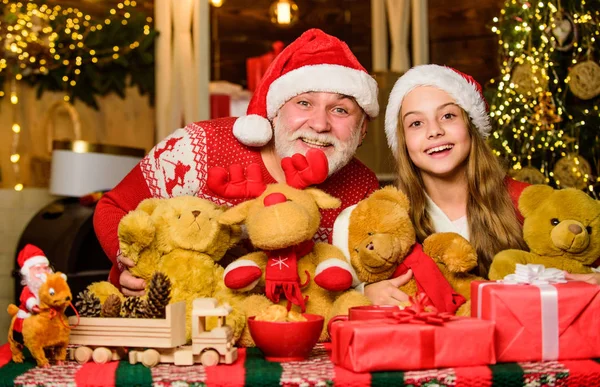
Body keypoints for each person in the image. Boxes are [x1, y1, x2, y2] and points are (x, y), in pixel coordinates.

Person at [93, 29, 390, 296]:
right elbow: (113, 208)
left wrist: (370, 291)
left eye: (340, 109)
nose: (320, 124)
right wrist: (129, 262)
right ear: (275, 111)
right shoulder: (199, 146)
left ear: (362, 129)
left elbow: (363, 271)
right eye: (304, 103)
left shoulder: (362, 189)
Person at [364, 64, 529, 305]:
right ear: (404, 142)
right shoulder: (388, 218)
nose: (434, 131)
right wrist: (367, 292)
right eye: (416, 123)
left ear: (471, 127)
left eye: (448, 116)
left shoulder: (523, 201)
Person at [12, 244, 54, 343]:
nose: (43, 272)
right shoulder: (28, 289)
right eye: (38, 269)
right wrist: (35, 307)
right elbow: (28, 300)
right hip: (28, 321)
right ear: (27, 272)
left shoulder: (49, 288)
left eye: (45, 268)